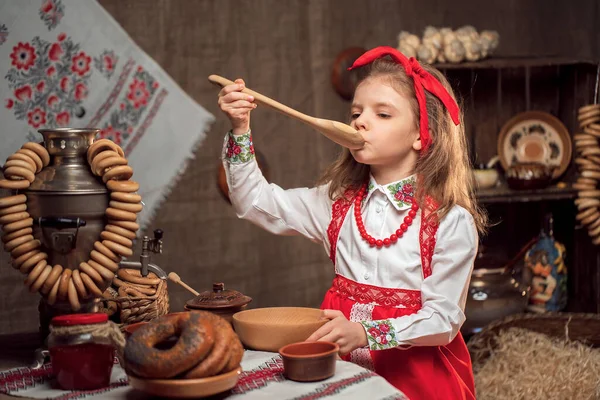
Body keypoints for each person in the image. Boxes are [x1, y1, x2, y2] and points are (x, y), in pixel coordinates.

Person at [217, 46, 487, 400]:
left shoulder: (449, 220)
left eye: (383, 114)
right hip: (342, 370)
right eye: (356, 112)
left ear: (421, 134)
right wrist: (240, 129)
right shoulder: (335, 202)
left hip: (419, 381)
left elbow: (443, 320)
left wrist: (366, 332)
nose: (359, 121)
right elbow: (255, 201)